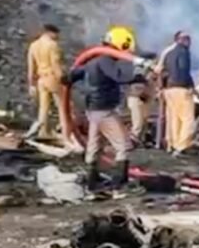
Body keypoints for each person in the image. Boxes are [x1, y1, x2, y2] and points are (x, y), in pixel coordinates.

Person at [63, 26, 148, 190]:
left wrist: (68, 77)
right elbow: (119, 76)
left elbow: (74, 74)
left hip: (93, 108)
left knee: (94, 145)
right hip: (104, 109)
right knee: (123, 145)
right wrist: (138, 74)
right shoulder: (105, 60)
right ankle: (119, 182)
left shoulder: (94, 60)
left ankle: (92, 180)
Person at [26, 24, 70, 143]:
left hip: (41, 78)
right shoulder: (52, 45)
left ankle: (43, 131)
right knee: (62, 106)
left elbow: (31, 67)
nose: (58, 37)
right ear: (50, 33)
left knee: (43, 107)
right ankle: (66, 133)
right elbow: (55, 64)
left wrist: (31, 84)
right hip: (52, 77)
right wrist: (63, 78)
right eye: (56, 34)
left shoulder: (33, 45)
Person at [160, 31, 195, 155]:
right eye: (187, 39)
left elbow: (161, 71)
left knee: (173, 119)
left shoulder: (167, 52)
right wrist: (190, 86)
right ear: (180, 40)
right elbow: (183, 70)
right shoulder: (184, 52)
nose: (189, 41)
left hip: (169, 89)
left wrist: (162, 87)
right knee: (187, 119)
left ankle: (173, 144)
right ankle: (182, 145)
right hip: (181, 88)